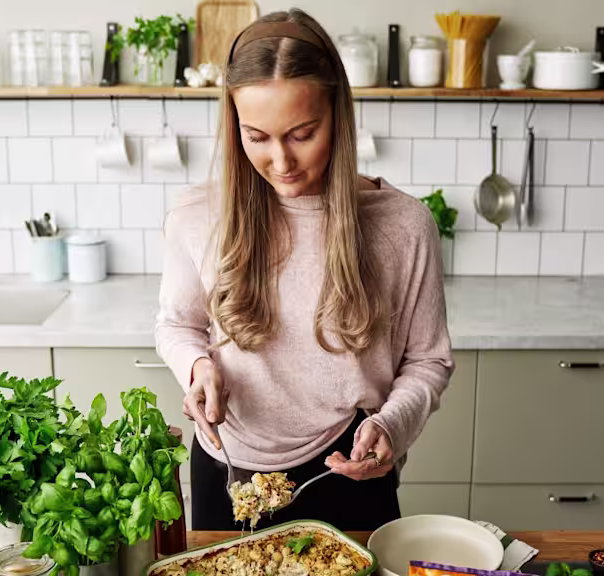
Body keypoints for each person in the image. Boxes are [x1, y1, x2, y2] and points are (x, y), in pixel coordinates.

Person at [155, 8, 455, 531]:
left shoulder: (404, 226)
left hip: (350, 473)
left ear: (338, 114)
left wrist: (392, 426)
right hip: (226, 467)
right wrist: (197, 367)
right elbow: (177, 325)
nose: (281, 161)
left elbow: (428, 361)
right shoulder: (194, 217)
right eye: (257, 136)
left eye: (302, 133)